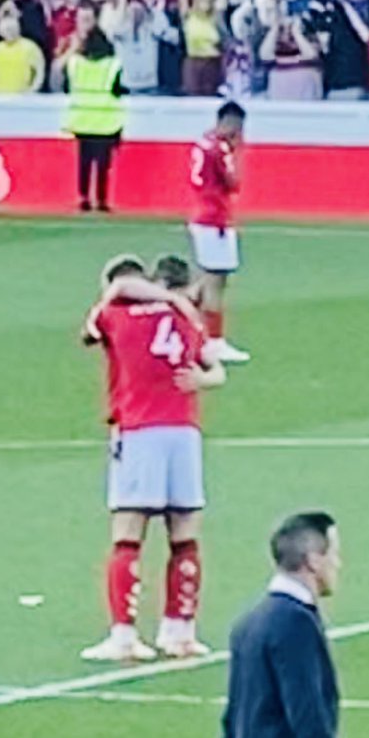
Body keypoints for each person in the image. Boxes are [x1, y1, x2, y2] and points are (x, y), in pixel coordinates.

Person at [81, 252, 225, 663]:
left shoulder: (115, 315)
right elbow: (213, 367)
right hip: (184, 430)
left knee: (127, 534)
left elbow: (112, 300)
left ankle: (124, 635)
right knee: (185, 533)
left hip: (139, 429)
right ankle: (179, 630)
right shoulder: (184, 318)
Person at [219, 512, 369, 738]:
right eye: (333, 554)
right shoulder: (294, 623)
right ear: (313, 561)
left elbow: (231, 723)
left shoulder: (249, 622)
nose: (339, 564)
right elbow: (308, 721)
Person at [188, 101, 250, 364]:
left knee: (208, 278)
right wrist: (234, 152)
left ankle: (191, 328)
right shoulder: (220, 148)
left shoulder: (202, 143)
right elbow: (233, 183)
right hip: (215, 219)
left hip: (202, 215)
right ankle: (214, 342)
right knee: (215, 281)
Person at [65, 17, 126, 213]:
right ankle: (101, 199)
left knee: (84, 163)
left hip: (82, 120)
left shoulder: (75, 64)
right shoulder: (113, 65)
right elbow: (118, 90)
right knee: (102, 165)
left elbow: (68, 87)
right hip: (107, 122)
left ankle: (83, 197)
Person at [0, 5, 46, 94]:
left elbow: (40, 74)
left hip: (23, 99)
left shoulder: (30, 47)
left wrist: (31, 92)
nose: (8, 28)